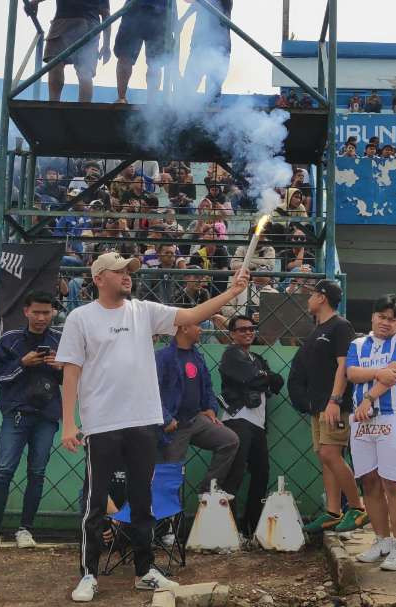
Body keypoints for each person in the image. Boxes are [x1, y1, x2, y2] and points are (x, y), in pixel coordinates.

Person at [54, 252, 251, 601]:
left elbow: (191, 315)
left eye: (129, 271)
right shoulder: (80, 317)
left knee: (143, 501)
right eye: (118, 271)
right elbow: (71, 372)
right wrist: (69, 422)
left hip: (143, 422)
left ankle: (145, 571)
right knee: (96, 501)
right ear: (98, 278)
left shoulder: (143, 310)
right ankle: (88, 574)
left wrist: (232, 293)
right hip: (101, 423)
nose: (127, 276)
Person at [0, 292, 65, 553]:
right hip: (16, 413)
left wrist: (60, 367)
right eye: (36, 312)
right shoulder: (10, 340)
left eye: (46, 312)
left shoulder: (61, 341)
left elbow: (74, 378)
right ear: (26, 311)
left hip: (47, 415)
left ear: (53, 313)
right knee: (4, 470)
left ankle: (25, 529)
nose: (41, 318)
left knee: (37, 473)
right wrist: (22, 363)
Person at [288, 280, 368, 535]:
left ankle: (357, 507)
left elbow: (343, 366)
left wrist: (335, 400)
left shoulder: (340, 326)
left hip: (334, 404)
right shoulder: (316, 329)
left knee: (331, 454)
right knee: (325, 457)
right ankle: (333, 512)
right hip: (318, 405)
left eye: (312, 294)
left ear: (322, 297)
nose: (308, 299)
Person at [346, 295, 396, 571]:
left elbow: (395, 374)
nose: (386, 322)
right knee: (370, 482)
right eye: (382, 316)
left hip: (395, 417)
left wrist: (367, 399)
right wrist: (379, 371)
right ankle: (381, 540)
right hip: (362, 422)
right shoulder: (357, 343)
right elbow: (352, 373)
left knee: (394, 484)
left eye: (393, 318)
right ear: (373, 316)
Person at [220, 315, 283, 536]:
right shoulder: (230, 355)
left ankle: (251, 526)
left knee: (261, 473)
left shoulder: (257, 358)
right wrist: (263, 377)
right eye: (242, 329)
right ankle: (230, 529)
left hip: (257, 423)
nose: (248, 332)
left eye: (251, 328)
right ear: (233, 334)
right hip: (238, 420)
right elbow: (252, 379)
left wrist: (261, 376)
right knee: (234, 475)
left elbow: (277, 383)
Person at [156, 323, 239, 492]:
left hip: (195, 420)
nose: (201, 329)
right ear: (184, 328)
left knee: (229, 441)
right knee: (170, 476)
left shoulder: (197, 356)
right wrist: (166, 419)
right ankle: (168, 515)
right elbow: (151, 392)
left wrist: (210, 408)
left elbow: (207, 386)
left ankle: (208, 492)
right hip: (174, 426)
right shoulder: (163, 357)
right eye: (197, 326)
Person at [32, 0, 111, 102]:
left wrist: (35, 2)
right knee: (82, 71)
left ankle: (55, 104)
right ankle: (81, 109)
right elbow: (105, 13)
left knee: (59, 64)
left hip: (76, 24)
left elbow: (105, 13)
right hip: (84, 25)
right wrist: (106, 44)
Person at [114, 0, 169, 104]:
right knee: (154, 62)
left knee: (127, 57)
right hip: (156, 12)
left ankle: (122, 98)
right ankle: (149, 102)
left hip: (138, 10)